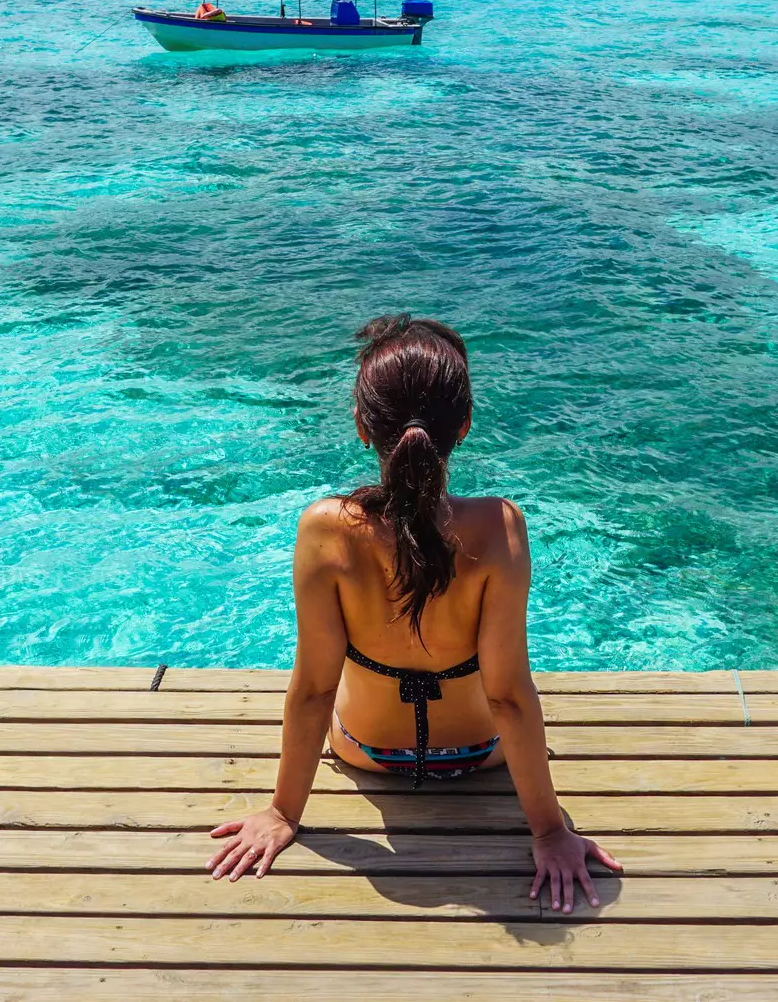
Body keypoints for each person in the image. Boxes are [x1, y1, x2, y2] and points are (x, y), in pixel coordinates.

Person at [206, 315, 621, 912]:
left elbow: (313, 689)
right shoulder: (500, 527)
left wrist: (281, 813)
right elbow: (508, 696)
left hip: (365, 751)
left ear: (361, 428)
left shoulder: (325, 528)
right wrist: (550, 832)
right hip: (483, 753)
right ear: (465, 427)